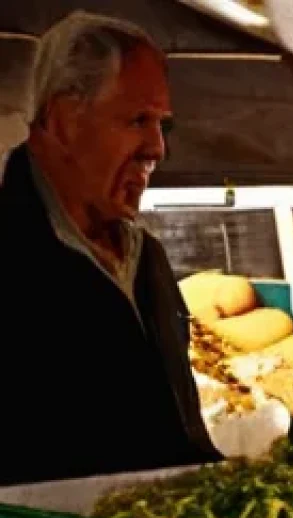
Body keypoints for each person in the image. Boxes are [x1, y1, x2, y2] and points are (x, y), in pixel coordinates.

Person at [0, 12, 217, 486]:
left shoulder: (148, 259)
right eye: (138, 120)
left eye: (161, 125)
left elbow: (178, 433)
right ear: (63, 120)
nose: (157, 149)